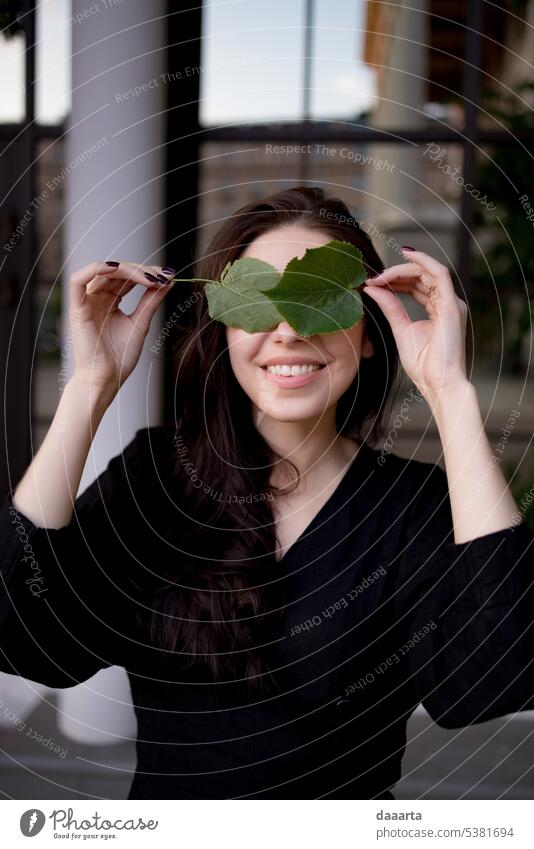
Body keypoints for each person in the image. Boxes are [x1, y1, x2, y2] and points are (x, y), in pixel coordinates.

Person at [1, 186, 532, 800]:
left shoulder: (415, 506)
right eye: (255, 301)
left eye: (319, 300)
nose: (285, 330)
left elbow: (490, 683)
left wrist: (450, 390)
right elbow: (24, 641)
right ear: (223, 329)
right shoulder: (156, 478)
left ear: (367, 332)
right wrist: (89, 385)